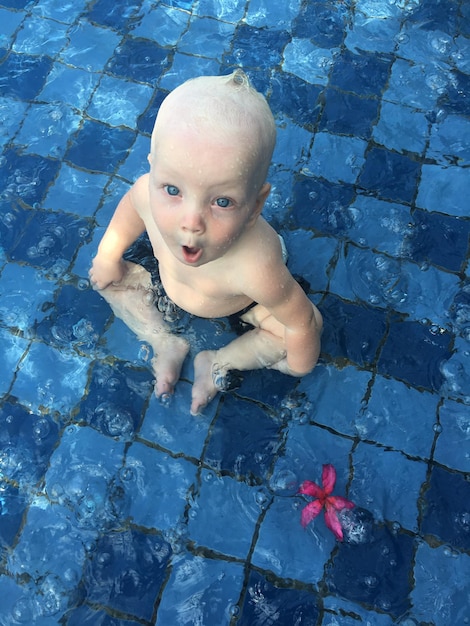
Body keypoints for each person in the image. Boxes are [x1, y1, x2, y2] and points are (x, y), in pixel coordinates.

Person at [89, 69, 323, 415]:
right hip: (166, 279)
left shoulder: (255, 266)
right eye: (172, 190)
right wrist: (109, 254)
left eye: (222, 202)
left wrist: (300, 363)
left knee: (307, 329)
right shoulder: (145, 194)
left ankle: (218, 361)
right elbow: (128, 214)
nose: (191, 222)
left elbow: (299, 321)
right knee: (107, 281)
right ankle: (163, 341)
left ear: (255, 206)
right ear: (153, 172)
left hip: (239, 304)